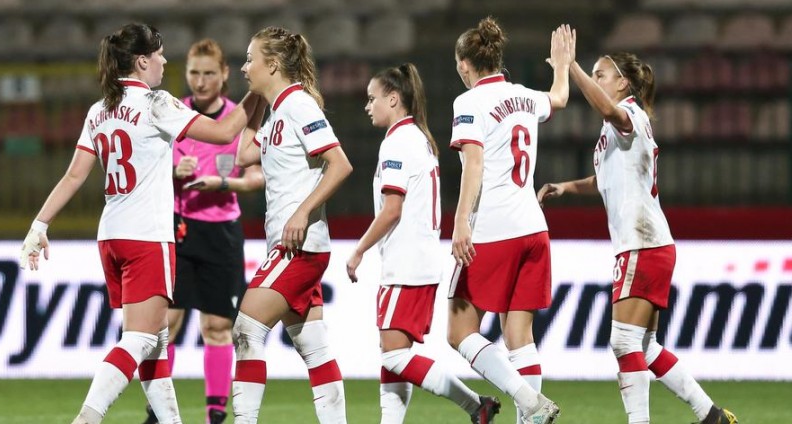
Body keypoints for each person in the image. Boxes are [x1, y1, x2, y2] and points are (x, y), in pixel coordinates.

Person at [19, 23, 259, 424]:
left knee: (157, 341)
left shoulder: (100, 109)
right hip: (147, 236)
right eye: (160, 55)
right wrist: (260, 89)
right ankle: (87, 417)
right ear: (143, 61)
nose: (165, 62)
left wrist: (39, 226)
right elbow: (223, 132)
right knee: (141, 339)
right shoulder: (156, 103)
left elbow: (74, 176)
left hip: (111, 237)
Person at [536, 52, 739, 424]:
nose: (596, 80)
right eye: (593, 74)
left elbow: (608, 111)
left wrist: (571, 67)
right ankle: (711, 415)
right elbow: (604, 178)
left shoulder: (630, 114)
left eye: (601, 74)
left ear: (622, 83)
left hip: (641, 243)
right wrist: (566, 187)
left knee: (624, 341)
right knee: (644, 346)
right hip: (648, 244)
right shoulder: (615, 130)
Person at [345, 63, 501, 424]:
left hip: (406, 263)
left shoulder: (397, 143)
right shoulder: (417, 138)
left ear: (393, 99)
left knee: (393, 356)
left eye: (372, 98)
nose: (367, 106)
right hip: (420, 260)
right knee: (393, 353)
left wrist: (359, 250)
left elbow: (392, 210)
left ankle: (474, 404)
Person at [446, 17, 574, 424]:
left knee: (459, 333)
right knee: (520, 337)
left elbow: (474, 164)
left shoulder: (469, 103)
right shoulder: (523, 95)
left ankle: (530, 402)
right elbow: (559, 98)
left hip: (494, 229)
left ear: (464, 64)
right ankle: (530, 418)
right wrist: (562, 66)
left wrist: (461, 221)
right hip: (533, 229)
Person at [231, 26, 353, 424]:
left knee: (246, 330)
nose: (244, 67)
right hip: (290, 245)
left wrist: (302, 211)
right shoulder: (278, 111)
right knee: (314, 349)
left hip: (298, 245)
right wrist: (257, 98)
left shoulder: (299, 105)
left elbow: (340, 164)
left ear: (273, 65)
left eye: (250, 60)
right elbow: (244, 154)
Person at [140, 38, 264, 424]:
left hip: (221, 232)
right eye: (194, 72)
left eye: (209, 73)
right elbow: (144, 168)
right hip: (177, 229)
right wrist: (171, 172)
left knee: (217, 326)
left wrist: (222, 183)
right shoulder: (171, 113)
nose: (200, 81)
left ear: (224, 74)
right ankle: (158, 412)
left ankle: (215, 413)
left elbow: (256, 176)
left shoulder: (237, 119)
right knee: (165, 325)